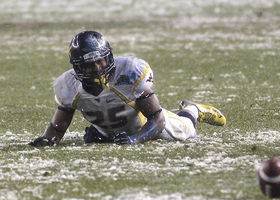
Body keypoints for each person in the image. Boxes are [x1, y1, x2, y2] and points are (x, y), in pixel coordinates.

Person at [28, 30, 226, 147]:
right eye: (90, 65)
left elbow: (157, 120)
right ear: (78, 67)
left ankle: (194, 109)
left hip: (148, 128)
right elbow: (57, 128)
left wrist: (134, 139)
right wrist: (47, 140)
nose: (98, 69)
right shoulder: (68, 86)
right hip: (113, 133)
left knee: (186, 130)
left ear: (109, 58)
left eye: (101, 62)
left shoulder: (130, 72)